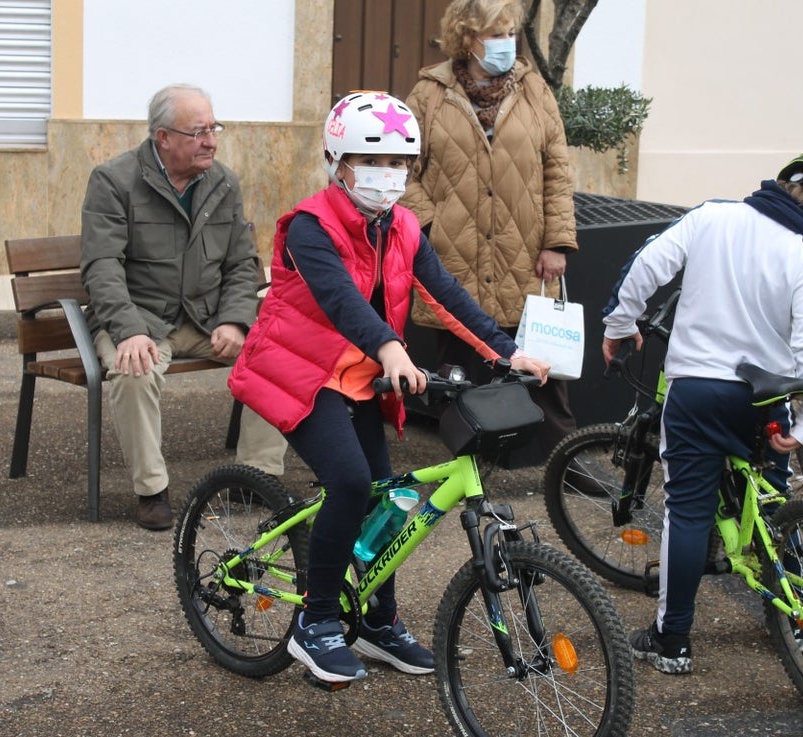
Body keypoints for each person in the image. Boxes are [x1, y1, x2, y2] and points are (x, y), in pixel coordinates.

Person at [228, 90, 551, 684]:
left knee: (390, 498)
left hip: (364, 378)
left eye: (402, 163)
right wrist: (391, 348)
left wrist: (508, 351)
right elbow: (341, 301)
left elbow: (446, 293)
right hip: (304, 372)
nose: (390, 175)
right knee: (352, 484)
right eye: (374, 162)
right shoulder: (310, 226)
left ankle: (378, 621)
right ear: (338, 163)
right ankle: (316, 622)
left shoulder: (401, 225)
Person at [601, 147, 803, 675]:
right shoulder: (802, 257)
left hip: (697, 393)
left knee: (686, 511)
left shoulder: (712, 216)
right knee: (774, 501)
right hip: (765, 400)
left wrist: (619, 327)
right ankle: (801, 621)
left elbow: (645, 266)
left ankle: (672, 640)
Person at [80, 83, 287, 531]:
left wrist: (235, 320)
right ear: (163, 138)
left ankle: (256, 477)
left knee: (274, 358)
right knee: (133, 369)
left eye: (214, 129)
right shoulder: (113, 181)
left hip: (204, 318)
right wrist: (129, 330)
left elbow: (241, 263)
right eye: (198, 132)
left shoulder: (222, 182)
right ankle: (151, 490)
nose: (211, 141)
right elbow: (101, 268)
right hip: (140, 319)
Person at [401, 0, 578, 461]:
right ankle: (468, 464)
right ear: (465, 36)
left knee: (543, 368)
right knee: (460, 368)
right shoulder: (428, 94)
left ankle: (564, 458)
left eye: (509, 32)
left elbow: (557, 168)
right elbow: (403, 168)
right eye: (493, 33)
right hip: (452, 255)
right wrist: (431, 226)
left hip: (524, 250)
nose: (505, 43)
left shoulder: (535, 90)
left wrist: (557, 241)